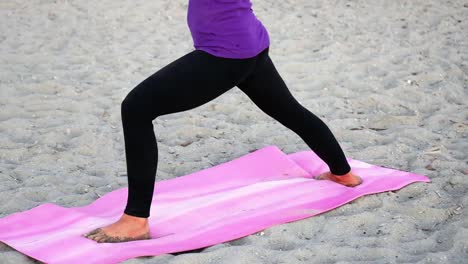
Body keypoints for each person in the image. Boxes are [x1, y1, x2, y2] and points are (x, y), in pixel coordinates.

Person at [83, 0, 362, 243]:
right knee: (289, 110)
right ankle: (342, 173)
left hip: (225, 54)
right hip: (249, 43)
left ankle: (135, 220)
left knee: (136, 108)